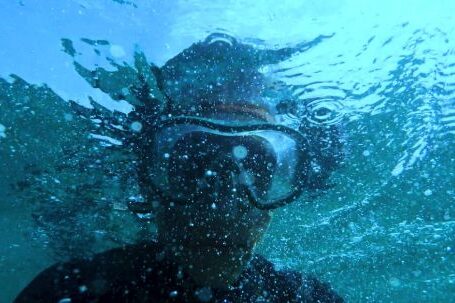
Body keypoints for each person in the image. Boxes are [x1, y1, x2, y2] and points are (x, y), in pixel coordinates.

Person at [15, 34, 344, 303]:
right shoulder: (68, 292)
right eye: (193, 165)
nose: (223, 209)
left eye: (256, 169)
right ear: (149, 183)